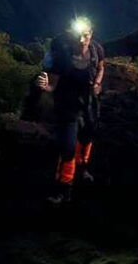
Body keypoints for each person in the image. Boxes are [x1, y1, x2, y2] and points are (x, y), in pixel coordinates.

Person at [36, 17, 105, 204]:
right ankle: (63, 189)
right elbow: (53, 84)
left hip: (89, 103)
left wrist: (97, 84)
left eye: (85, 35)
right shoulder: (63, 59)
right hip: (67, 106)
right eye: (78, 36)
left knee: (87, 137)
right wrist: (46, 86)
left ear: (90, 34)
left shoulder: (96, 51)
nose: (82, 40)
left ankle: (82, 169)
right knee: (67, 147)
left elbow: (100, 67)